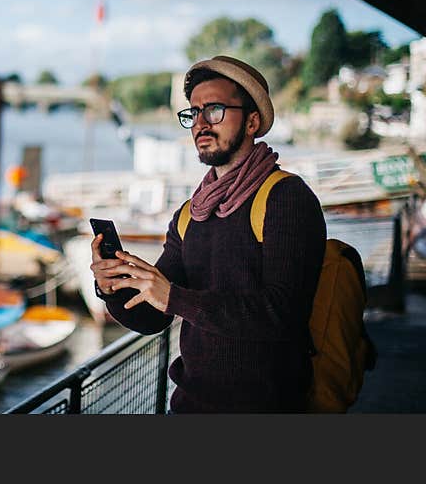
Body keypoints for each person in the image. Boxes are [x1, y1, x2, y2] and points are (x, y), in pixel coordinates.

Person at [91, 55, 326, 413]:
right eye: (193, 113)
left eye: (214, 110)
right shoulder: (191, 213)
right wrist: (111, 289)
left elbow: (282, 314)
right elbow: (154, 317)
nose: (200, 123)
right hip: (188, 406)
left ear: (252, 121)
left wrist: (175, 297)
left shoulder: (285, 198)